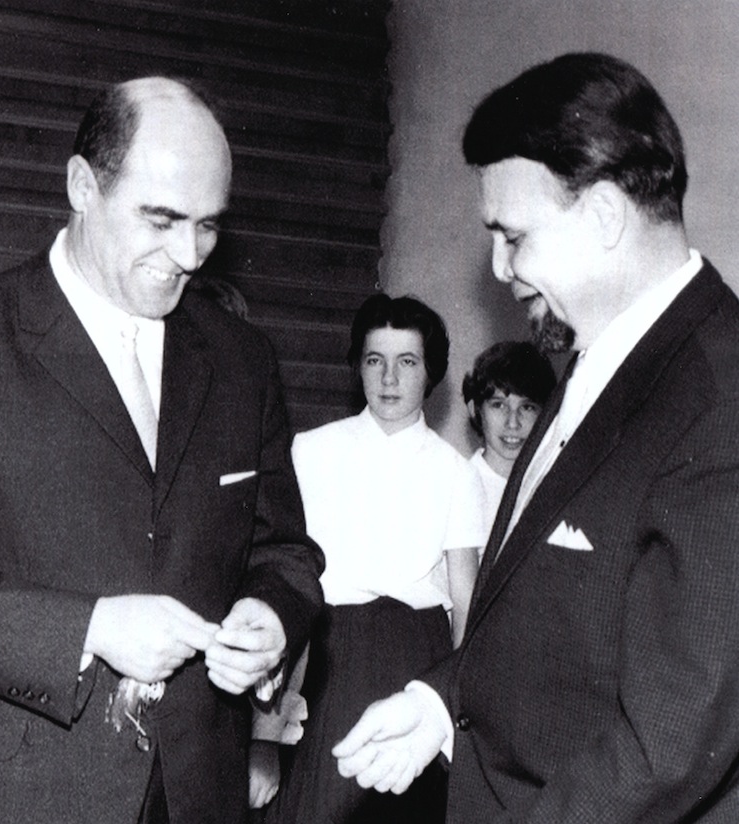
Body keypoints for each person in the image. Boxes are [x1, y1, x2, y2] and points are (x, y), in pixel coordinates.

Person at [0, 77, 324, 824]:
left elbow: (285, 552)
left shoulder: (243, 360)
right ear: (82, 186)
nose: (188, 254)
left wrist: (271, 615)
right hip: (14, 797)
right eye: (161, 220)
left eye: (207, 226)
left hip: (196, 792)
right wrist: (91, 627)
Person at [332, 51, 739, 821]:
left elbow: (672, 740)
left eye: (512, 236)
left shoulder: (720, 397)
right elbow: (540, 611)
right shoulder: (592, 357)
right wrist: (439, 700)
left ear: (605, 215)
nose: (498, 267)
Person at [252, 293, 485, 823]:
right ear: (358, 367)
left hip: (416, 660)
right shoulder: (310, 450)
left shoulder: (455, 471)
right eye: (375, 360)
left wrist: (451, 713)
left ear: (431, 373)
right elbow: (283, 579)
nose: (389, 378)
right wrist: (264, 732)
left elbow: (466, 606)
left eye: (408, 362)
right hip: (325, 656)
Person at [461, 341, 556, 529]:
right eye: (499, 405)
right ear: (475, 410)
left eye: (527, 407)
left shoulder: (551, 488)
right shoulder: (458, 488)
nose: (513, 423)